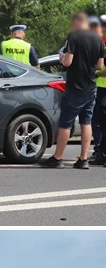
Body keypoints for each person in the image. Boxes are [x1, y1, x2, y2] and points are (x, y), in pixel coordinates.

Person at [40, 12, 106, 169]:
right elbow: (99, 65)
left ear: (77, 22)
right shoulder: (98, 39)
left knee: (66, 123)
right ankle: (83, 159)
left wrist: (62, 58)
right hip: (91, 86)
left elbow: (68, 62)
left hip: (75, 85)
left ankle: (57, 158)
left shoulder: (74, 37)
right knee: (87, 122)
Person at [89, 16, 106, 166]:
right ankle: (100, 153)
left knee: (103, 122)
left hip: (104, 89)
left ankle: (103, 154)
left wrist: (95, 73)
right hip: (100, 88)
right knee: (98, 121)